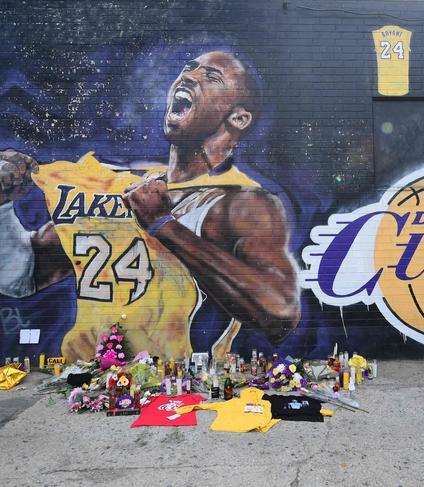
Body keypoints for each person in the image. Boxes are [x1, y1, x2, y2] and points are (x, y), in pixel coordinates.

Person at [0, 51, 300, 361]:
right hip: (96, 381)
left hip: (177, 385)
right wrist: (2, 206)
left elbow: (279, 315)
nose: (189, 77)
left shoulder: (241, 201)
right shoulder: (115, 186)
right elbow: (20, 276)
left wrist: (163, 226)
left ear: (237, 117)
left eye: (210, 78)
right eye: (188, 69)